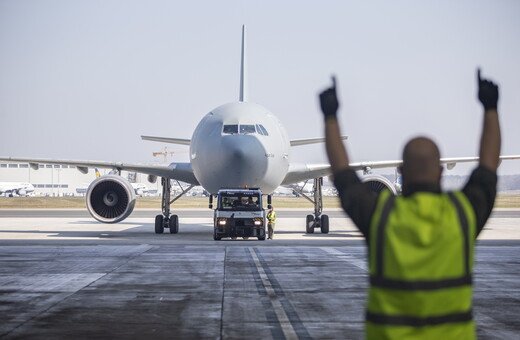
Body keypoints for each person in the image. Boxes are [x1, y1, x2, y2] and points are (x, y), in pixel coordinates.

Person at [319, 69, 500, 340]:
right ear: (441, 172)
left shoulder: (381, 217)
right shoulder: (462, 214)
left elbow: (343, 174)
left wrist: (330, 116)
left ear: (401, 171)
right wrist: (491, 108)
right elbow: (488, 166)